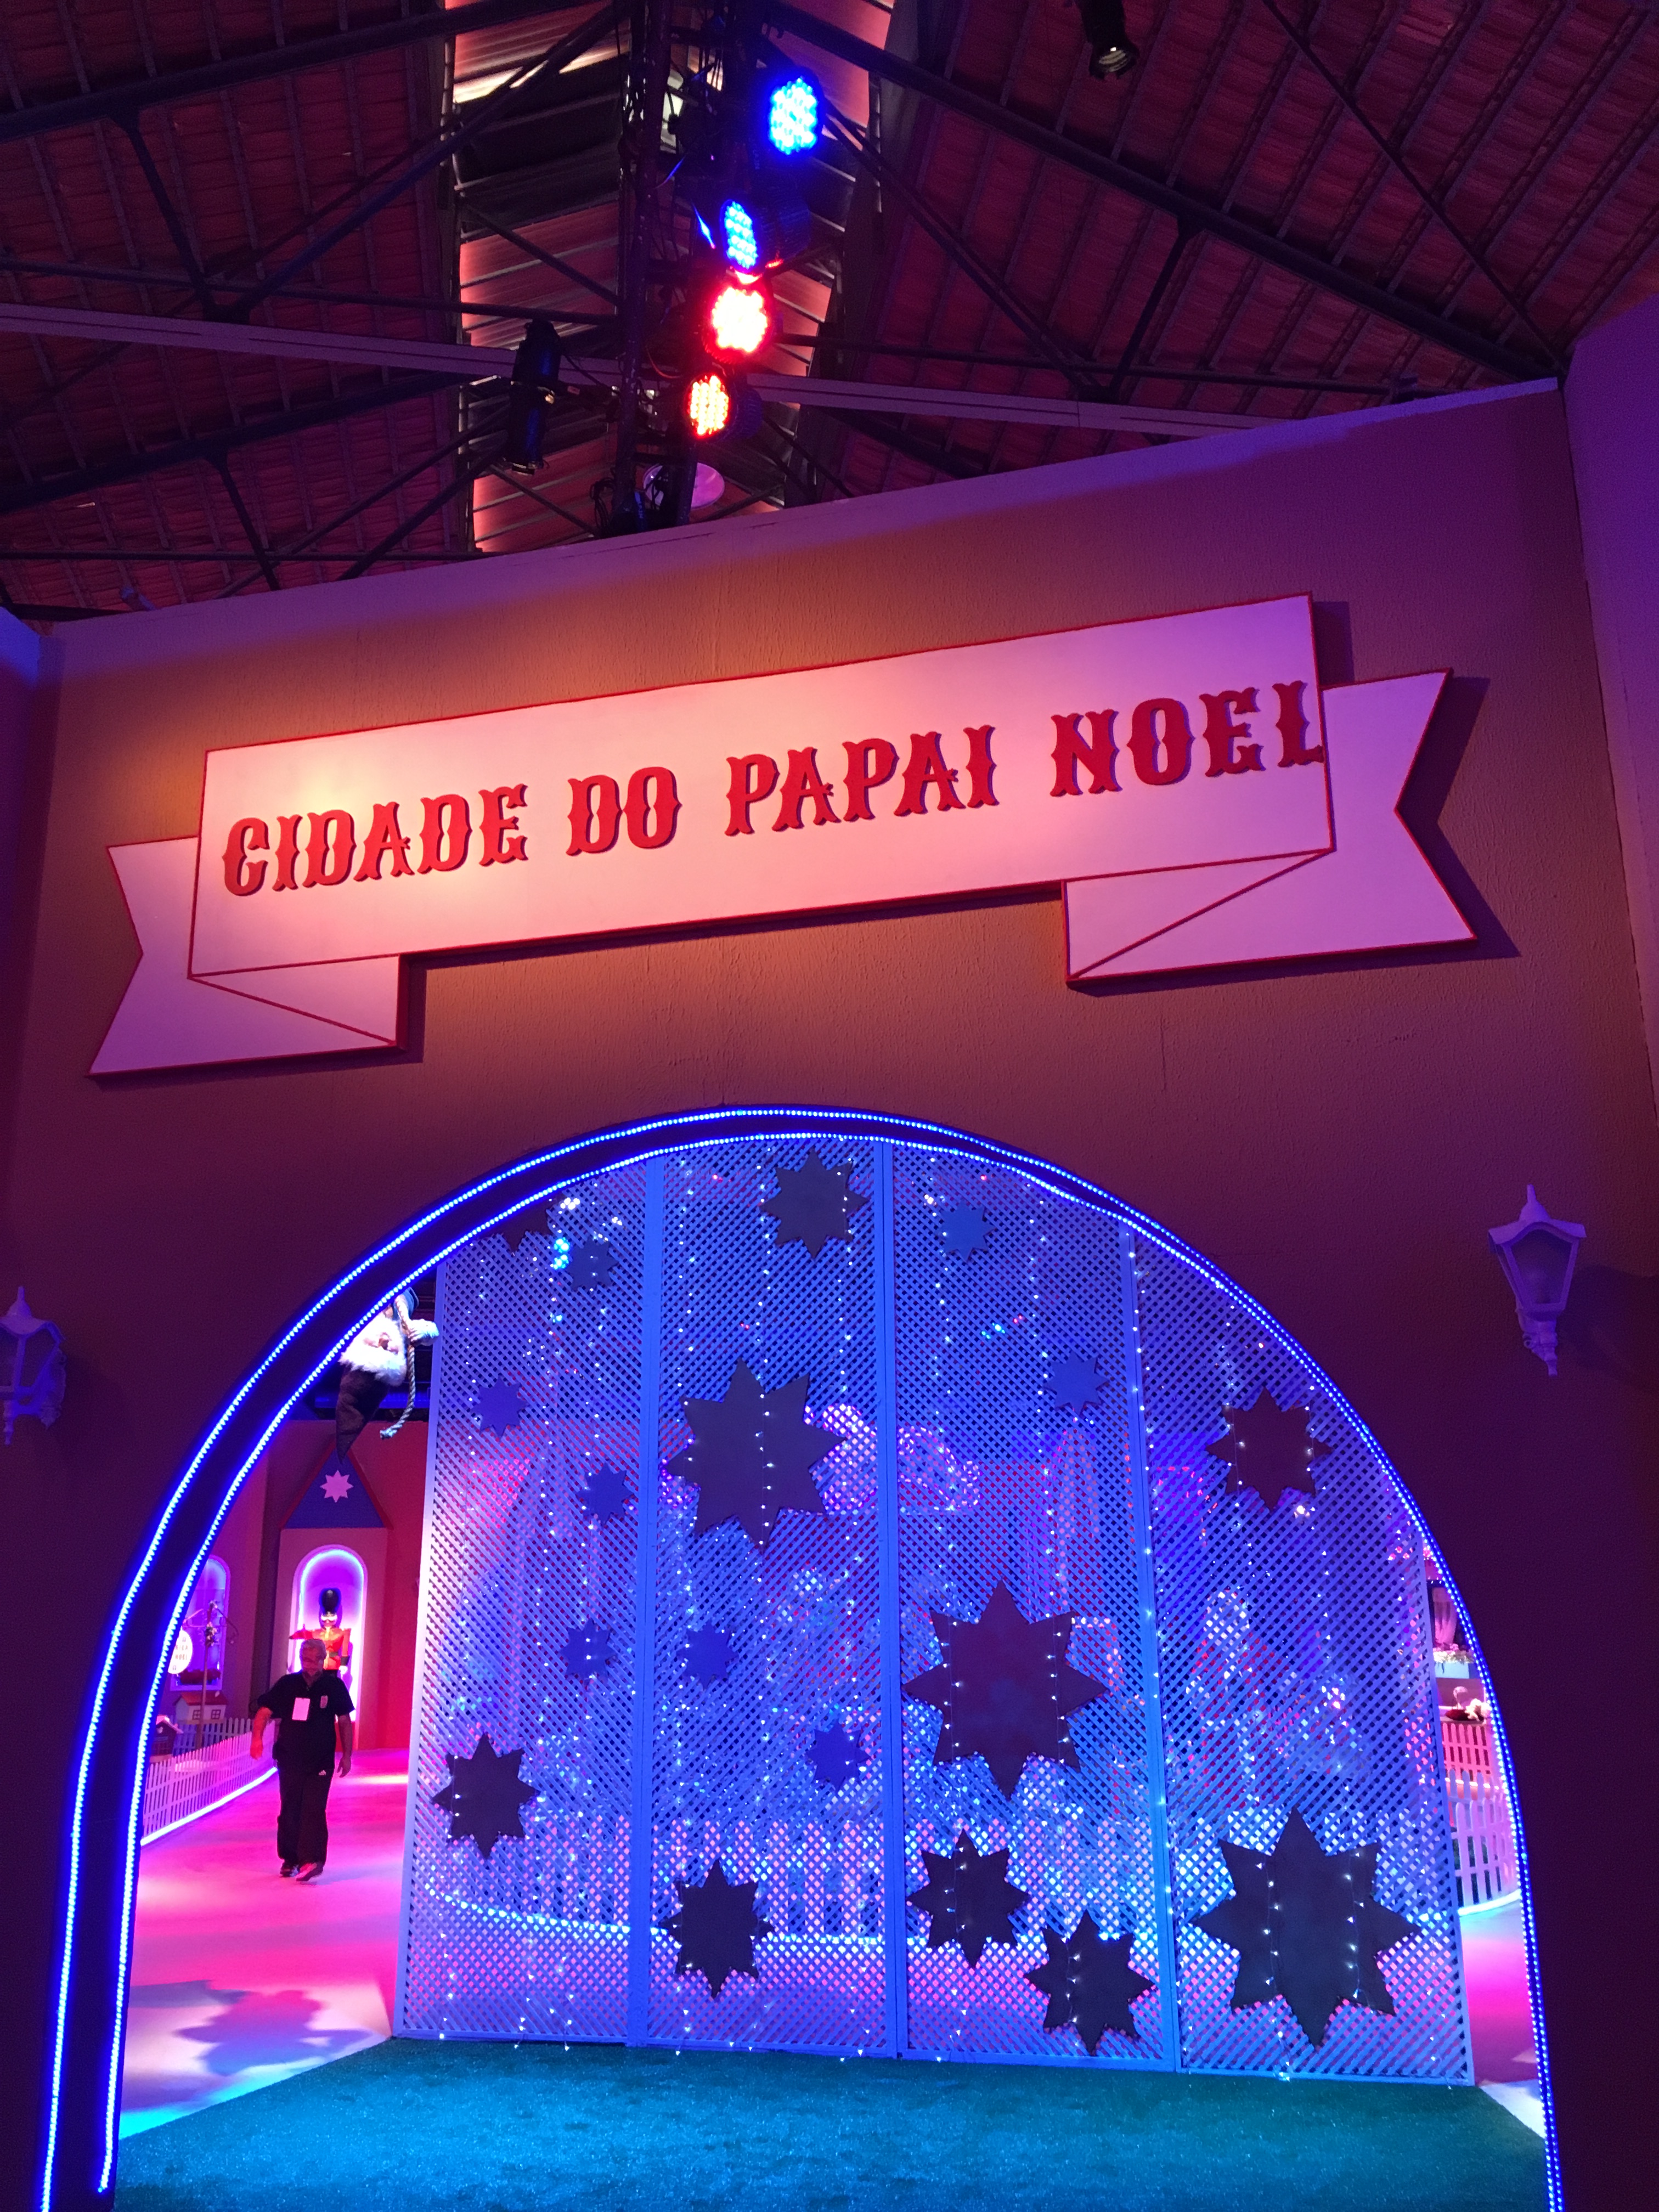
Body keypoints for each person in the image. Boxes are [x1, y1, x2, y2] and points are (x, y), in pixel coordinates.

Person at [251, 1636, 353, 1881]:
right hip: (290, 1757)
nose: (310, 1664)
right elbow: (264, 1711)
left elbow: (344, 1721)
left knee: (314, 1808)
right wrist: (257, 1739)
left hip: (321, 1759)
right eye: (306, 1660)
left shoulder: (333, 1686)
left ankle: (312, 1860)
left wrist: (347, 1755)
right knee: (291, 1807)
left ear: (323, 1660)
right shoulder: (288, 1684)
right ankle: (290, 1858)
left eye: (315, 1660)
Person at [334, 1289, 437, 1460]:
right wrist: (426, 1331)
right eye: (388, 1351)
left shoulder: (355, 1316)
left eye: (375, 1347)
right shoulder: (397, 1331)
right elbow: (433, 1332)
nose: (385, 1341)